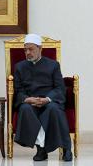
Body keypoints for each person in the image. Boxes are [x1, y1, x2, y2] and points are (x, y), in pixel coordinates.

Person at [13, 33, 73, 161]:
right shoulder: (19, 67)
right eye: (25, 50)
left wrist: (47, 99)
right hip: (30, 101)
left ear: (40, 49)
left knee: (53, 109)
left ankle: (66, 147)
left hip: (49, 101)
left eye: (31, 49)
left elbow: (59, 88)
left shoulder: (53, 65)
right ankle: (41, 149)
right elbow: (18, 90)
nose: (28, 52)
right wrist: (27, 99)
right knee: (25, 109)